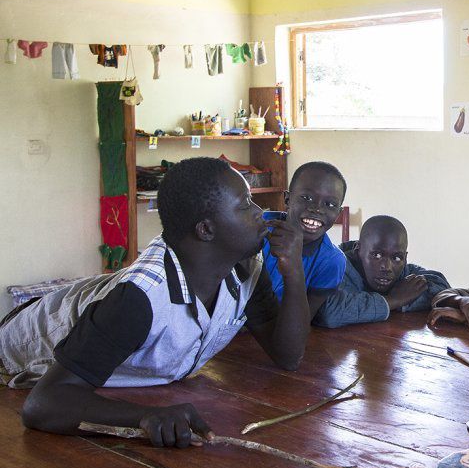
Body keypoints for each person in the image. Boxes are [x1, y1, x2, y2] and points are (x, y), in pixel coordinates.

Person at [0, 157, 310, 446]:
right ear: (206, 229)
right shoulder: (137, 301)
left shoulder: (244, 267)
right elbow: (42, 404)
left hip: (94, 305)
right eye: (245, 205)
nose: (260, 212)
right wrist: (144, 416)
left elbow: (288, 355)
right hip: (19, 346)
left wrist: (293, 272)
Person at [313, 215, 449, 328]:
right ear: (357, 250)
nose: (387, 267)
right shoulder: (336, 265)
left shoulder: (402, 270)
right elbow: (329, 312)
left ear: (405, 258)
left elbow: (441, 288)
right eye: (377, 255)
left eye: (397, 257)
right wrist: (394, 300)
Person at [261, 161, 347, 320]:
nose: (317, 209)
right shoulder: (257, 229)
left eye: (330, 204)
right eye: (307, 197)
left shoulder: (332, 262)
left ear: (338, 213)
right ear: (287, 199)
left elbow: (302, 320)